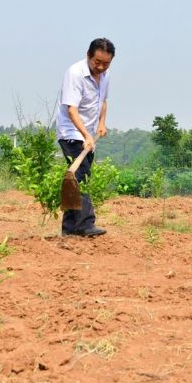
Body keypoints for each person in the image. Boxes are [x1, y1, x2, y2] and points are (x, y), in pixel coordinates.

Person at [56, 37, 115, 237]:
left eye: (106, 64)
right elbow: (71, 109)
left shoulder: (105, 76)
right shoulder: (74, 74)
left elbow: (103, 101)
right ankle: (85, 224)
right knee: (82, 176)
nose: (100, 67)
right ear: (88, 55)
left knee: (76, 178)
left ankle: (69, 229)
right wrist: (85, 135)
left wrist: (101, 123)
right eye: (97, 62)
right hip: (72, 133)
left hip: (88, 134)